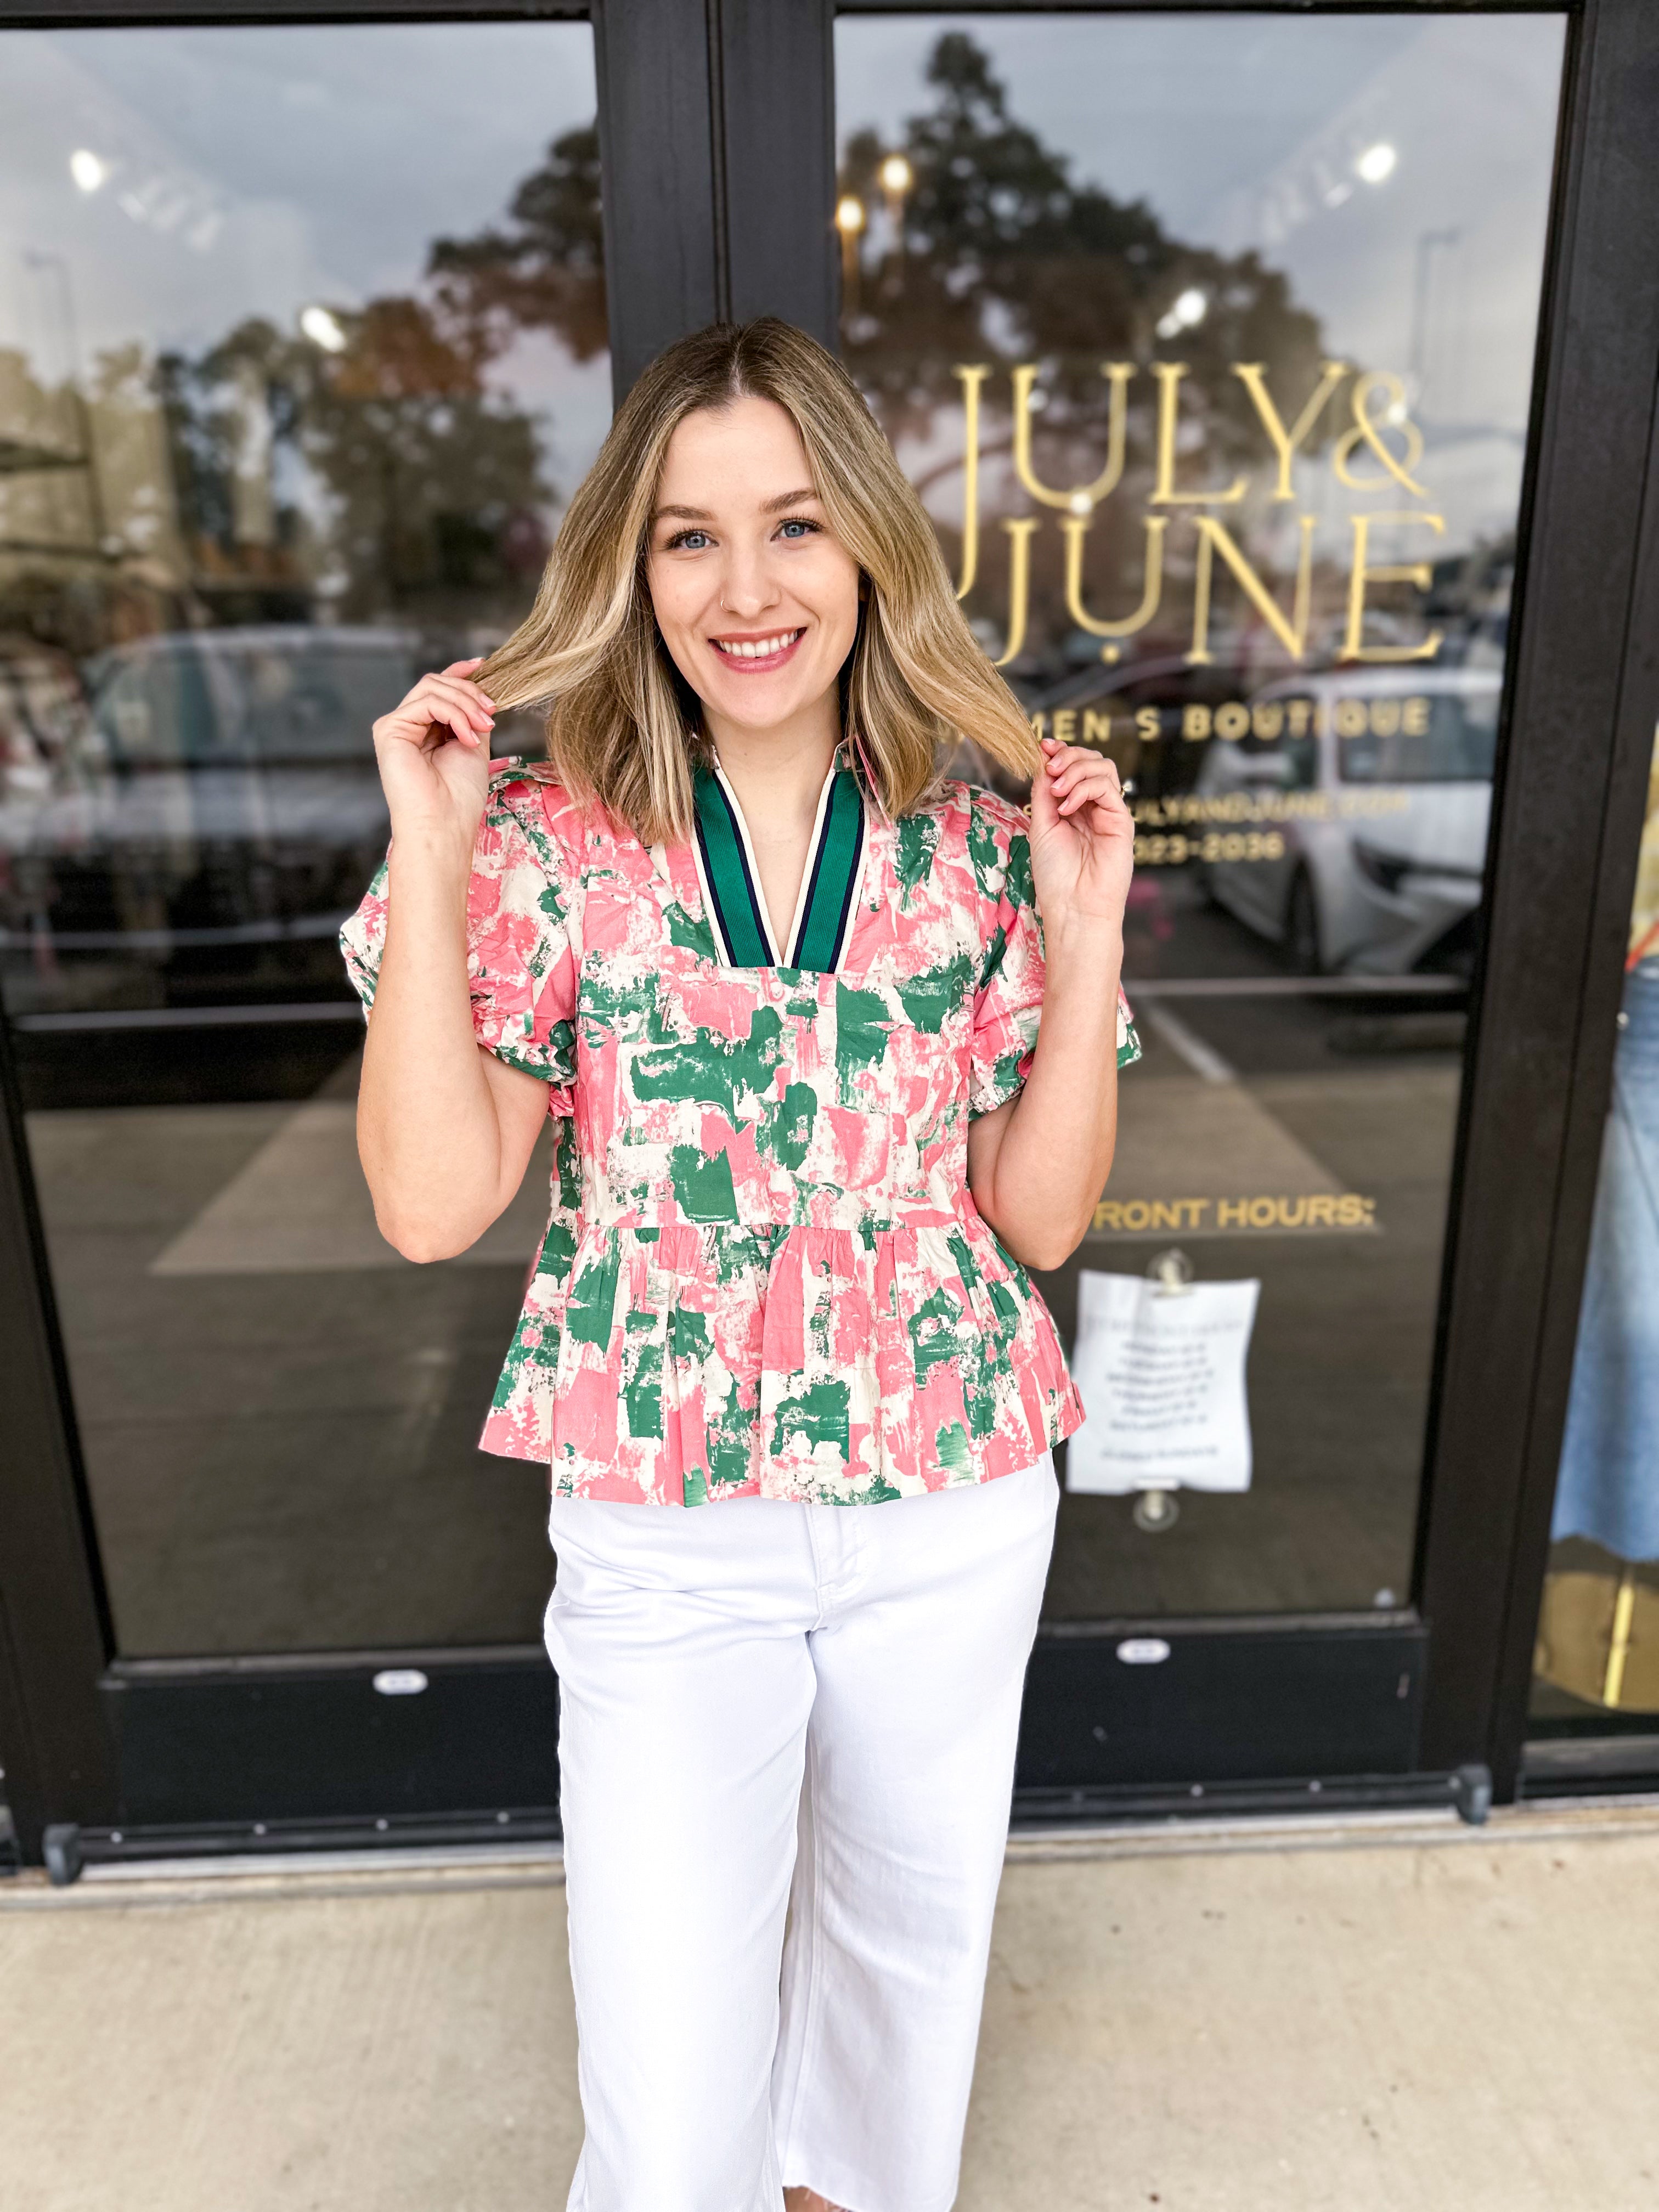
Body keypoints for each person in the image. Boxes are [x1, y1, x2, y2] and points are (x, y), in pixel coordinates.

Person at [342, 317, 1137, 2212]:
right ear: (634, 571)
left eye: (793, 526)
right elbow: (431, 1207)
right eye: (689, 537)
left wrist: (1086, 934)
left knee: (899, 1989)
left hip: (951, 1497)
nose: (747, 587)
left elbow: (1033, 1222)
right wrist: (436, 861)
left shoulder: (969, 848)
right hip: (670, 1521)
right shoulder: (540, 845)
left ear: (866, 549)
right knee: (673, 2051)